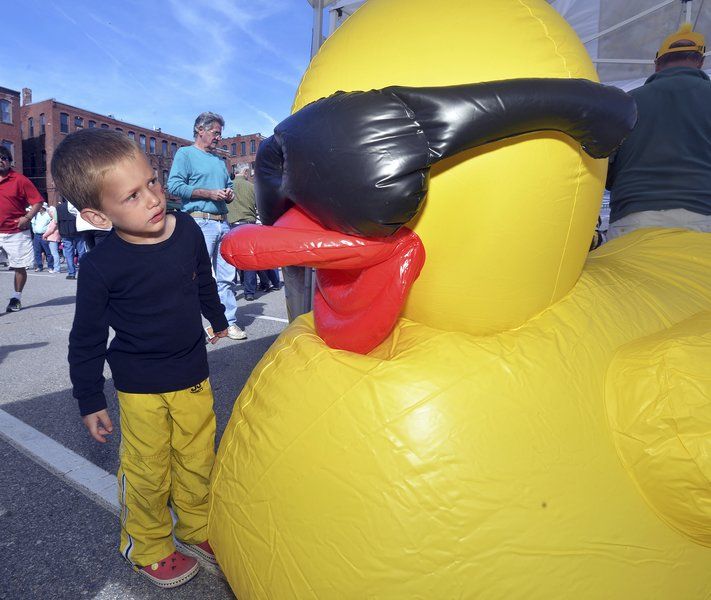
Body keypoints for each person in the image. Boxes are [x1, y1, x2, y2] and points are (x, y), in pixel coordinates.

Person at [52, 129, 229, 588]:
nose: (152, 198)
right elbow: (86, 340)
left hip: (193, 374)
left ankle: (198, 527)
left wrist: (218, 318)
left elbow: (202, 280)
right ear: (97, 214)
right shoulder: (100, 266)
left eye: (152, 182)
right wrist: (90, 400)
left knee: (197, 459)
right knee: (148, 470)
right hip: (140, 387)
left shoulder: (186, 228)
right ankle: (147, 545)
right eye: (132, 195)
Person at [607, 23, 711, 239]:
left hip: (634, 217)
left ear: (657, 64)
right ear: (700, 62)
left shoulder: (626, 103)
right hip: (704, 217)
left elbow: (604, 169)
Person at [167, 112, 246, 339]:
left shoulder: (219, 162)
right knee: (194, 276)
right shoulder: (185, 154)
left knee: (226, 277)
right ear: (200, 130)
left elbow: (229, 185)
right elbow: (174, 186)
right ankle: (190, 325)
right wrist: (208, 193)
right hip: (199, 221)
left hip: (223, 223)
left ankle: (228, 322)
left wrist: (229, 194)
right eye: (215, 133)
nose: (219, 138)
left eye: (220, 134)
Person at [227, 163, 280, 301]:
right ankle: (249, 291)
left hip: (231, 225)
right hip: (248, 225)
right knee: (249, 259)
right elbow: (261, 207)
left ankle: (232, 290)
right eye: (248, 173)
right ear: (245, 172)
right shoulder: (252, 187)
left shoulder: (228, 186)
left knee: (233, 259)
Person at [0, 145, 44, 311]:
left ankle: (16, 298)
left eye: (4, 158)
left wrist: (27, 217)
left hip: (16, 232)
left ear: (10, 162)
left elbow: (38, 201)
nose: (0, 160)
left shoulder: (20, 180)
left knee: (19, 267)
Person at [56, 196, 84, 279]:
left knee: (68, 253)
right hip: (78, 231)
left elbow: (58, 221)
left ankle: (71, 273)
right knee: (81, 252)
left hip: (65, 233)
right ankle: (83, 272)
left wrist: (60, 233)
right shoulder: (78, 206)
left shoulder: (59, 208)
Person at [31, 203, 55, 272]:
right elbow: (33, 223)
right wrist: (34, 230)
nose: (39, 208)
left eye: (40, 207)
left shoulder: (48, 215)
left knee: (48, 252)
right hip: (36, 235)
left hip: (44, 235)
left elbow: (52, 223)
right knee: (37, 252)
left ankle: (50, 266)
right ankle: (39, 266)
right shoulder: (36, 215)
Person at [43, 203, 62, 273]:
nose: (49, 213)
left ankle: (57, 268)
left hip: (53, 238)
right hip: (53, 237)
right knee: (54, 253)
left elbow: (51, 230)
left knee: (54, 253)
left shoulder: (54, 220)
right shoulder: (54, 220)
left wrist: (44, 235)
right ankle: (56, 268)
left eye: (50, 212)